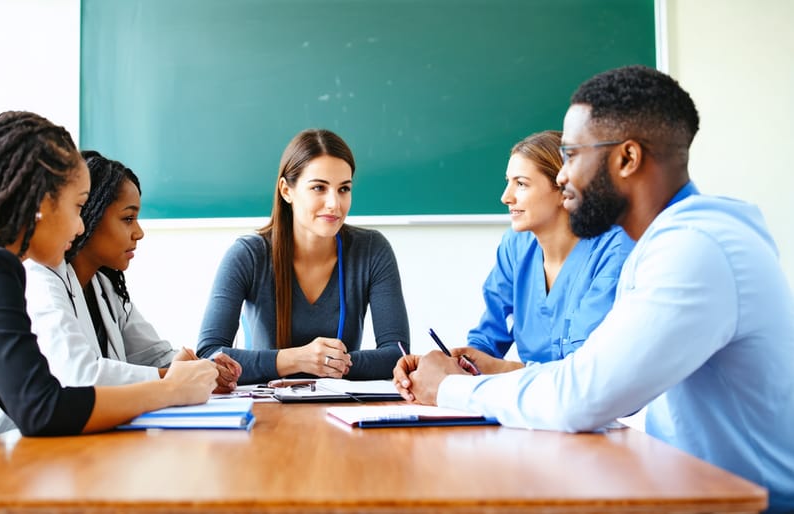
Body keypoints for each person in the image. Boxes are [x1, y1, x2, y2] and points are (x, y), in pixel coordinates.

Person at [393, 65, 794, 512]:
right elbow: (586, 373)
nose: (562, 177)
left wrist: (447, 389)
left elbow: (581, 397)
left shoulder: (694, 250)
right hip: (682, 486)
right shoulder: (666, 243)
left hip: (743, 504)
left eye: (571, 155)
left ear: (626, 159)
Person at [0, 111, 218, 468]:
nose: (81, 227)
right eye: (78, 206)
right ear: (40, 204)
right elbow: (41, 409)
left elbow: (41, 398)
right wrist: (169, 390)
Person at [0, 151, 242, 442]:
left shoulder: (105, 285)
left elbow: (152, 356)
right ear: (89, 213)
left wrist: (200, 366)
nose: (139, 232)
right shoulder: (40, 278)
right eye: (127, 218)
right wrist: (175, 380)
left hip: (84, 443)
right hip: (16, 448)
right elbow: (79, 376)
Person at [196, 128, 410, 384]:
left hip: (342, 410)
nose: (334, 204)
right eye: (319, 187)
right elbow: (209, 355)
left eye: (344, 189)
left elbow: (398, 355)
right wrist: (298, 359)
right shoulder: (247, 255)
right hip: (266, 410)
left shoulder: (372, 250)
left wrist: (327, 364)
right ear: (287, 191)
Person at [451, 130, 633, 374]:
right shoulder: (516, 246)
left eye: (521, 184)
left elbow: (585, 374)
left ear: (564, 189)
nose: (506, 197)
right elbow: (489, 338)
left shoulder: (613, 250)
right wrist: (457, 363)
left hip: (597, 408)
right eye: (508, 182)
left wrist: (505, 370)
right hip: (528, 404)